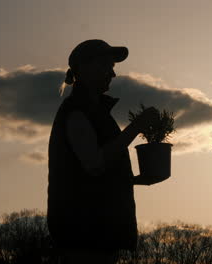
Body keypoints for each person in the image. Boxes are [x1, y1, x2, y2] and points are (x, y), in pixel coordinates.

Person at [47, 39, 162, 264]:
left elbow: (93, 170)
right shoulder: (77, 111)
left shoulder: (94, 111)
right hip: (84, 233)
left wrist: (134, 180)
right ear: (85, 68)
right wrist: (137, 126)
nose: (113, 74)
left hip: (94, 233)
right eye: (107, 67)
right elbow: (95, 163)